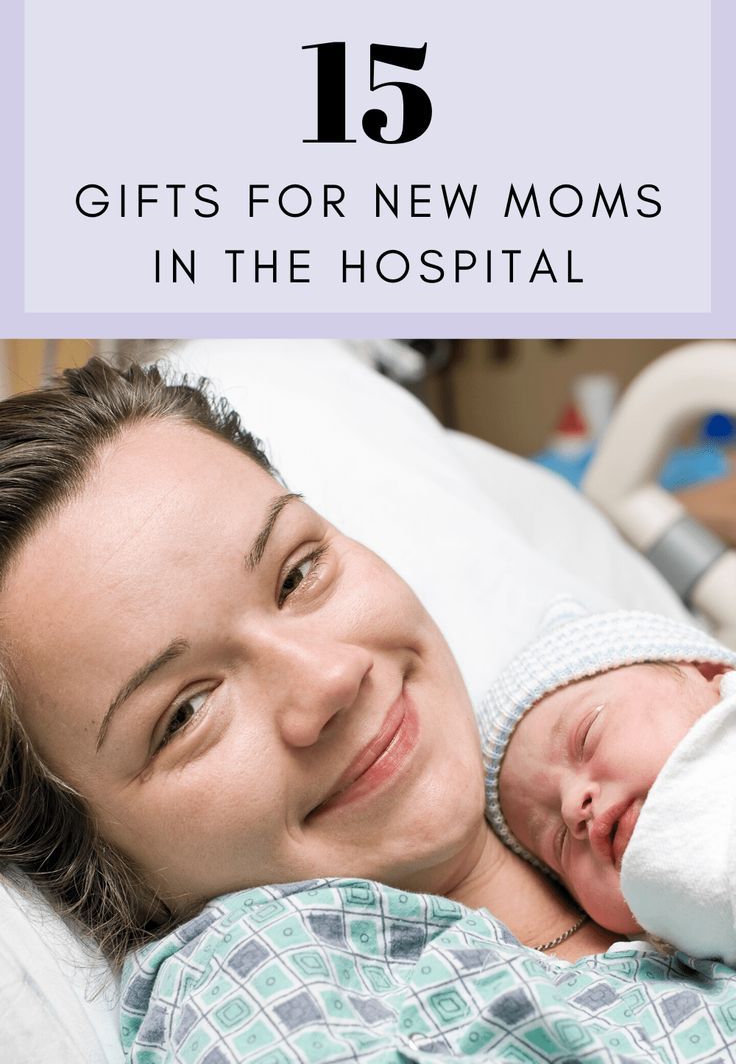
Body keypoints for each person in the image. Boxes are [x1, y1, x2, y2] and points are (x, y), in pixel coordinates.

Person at [4, 358, 736, 1064]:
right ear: (89, 863)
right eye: (187, 712)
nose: (330, 679)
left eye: (297, 573)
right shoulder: (270, 990)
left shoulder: (618, 772)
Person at [480, 600, 736, 952]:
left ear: (707, 673)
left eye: (586, 737)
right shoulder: (646, 969)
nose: (572, 808)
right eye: (558, 843)